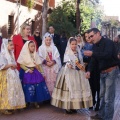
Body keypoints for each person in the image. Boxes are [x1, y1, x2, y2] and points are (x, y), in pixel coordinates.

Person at [84, 28, 120, 120]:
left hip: (111, 72)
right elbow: (93, 60)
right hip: (102, 73)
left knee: (108, 98)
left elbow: (107, 55)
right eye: (89, 37)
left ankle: (107, 118)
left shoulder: (108, 43)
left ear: (98, 34)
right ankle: (101, 115)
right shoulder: (95, 46)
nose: (90, 38)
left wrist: (93, 53)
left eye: (92, 36)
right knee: (101, 96)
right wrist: (89, 71)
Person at [51, 37, 93, 114]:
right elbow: (67, 61)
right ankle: (67, 107)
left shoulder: (78, 52)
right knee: (69, 89)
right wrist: (69, 64)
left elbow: (80, 61)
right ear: (69, 45)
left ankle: (74, 106)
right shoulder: (68, 52)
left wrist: (82, 65)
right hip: (69, 72)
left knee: (76, 89)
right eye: (72, 44)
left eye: (75, 44)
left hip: (78, 73)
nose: (74, 46)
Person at [17, 41, 51, 108]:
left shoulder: (36, 54)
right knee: (28, 87)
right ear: (27, 47)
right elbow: (21, 64)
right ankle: (27, 101)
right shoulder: (24, 54)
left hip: (35, 72)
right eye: (31, 46)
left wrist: (42, 72)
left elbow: (39, 64)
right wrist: (27, 69)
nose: (33, 48)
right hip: (27, 73)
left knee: (37, 87)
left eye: (34, 46)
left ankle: (36, 101)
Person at [0, 39, 26, 114]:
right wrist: (11, 65)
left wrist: (14, 66)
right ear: (6, 45)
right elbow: (2, 66)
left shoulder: (11, 53)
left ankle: (12, 106)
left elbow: (13, 63)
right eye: (10, 45)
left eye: (13, 44)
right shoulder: (3, 54)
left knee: (12, 91)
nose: (12, 46)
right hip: (5, 75)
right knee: (6, 91)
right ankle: (5, 108)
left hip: (12, 74)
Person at [82, 31, 100, 111]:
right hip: (88, 68)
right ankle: (92, 102)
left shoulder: (96, 45)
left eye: (89, 37)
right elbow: (82, 57)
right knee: (91, 86)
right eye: (86, 37)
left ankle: (98, 103)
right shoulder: (84, 46)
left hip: (97, 68)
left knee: (98, 86)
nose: (88, 38)